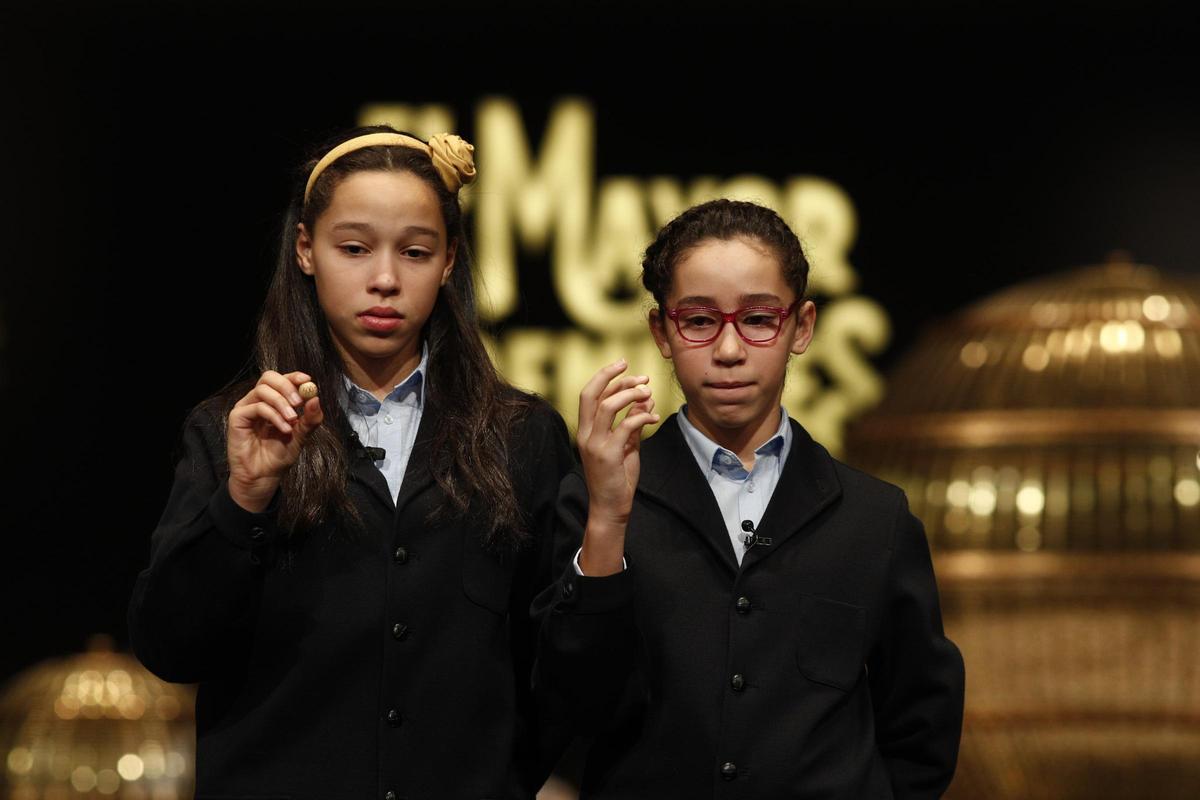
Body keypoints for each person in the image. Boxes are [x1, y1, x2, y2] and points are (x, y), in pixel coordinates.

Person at [129, 126, 575, 799]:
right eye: (355, 249)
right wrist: (245, 497)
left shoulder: (521, 436)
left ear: (450, 260)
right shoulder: (233, 428)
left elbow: (558, 672)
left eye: (416, 251)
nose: (386, 279)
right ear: (306, 249)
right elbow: (169, 648)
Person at [534, 199, 965, 798]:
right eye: (700, 320)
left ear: (802, 327)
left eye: (759, 319)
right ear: (661, 330)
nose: (730, 350)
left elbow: (923, 726)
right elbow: (567, 709)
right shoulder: (594, 503)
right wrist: (609, 518)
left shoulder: (874, 518)